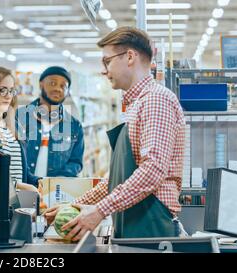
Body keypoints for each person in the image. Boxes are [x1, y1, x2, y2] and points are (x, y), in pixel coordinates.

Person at [44, 26, 186, 241]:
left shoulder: (156, 100)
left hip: (151, 228)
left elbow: (153, 170)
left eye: (107, 61)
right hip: (136, 225)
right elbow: (121, 177)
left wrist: (100, 211)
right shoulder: (137, 105)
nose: (103, 70)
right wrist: (76, 206)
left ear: (129, 56)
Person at [16, 66, 84, 177]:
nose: (58, 89)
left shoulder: (74, 126)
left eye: (63, 86)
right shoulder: (20, 117)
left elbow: (76, 162)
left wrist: (57, 182)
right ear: (41, 84)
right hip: (23, 189)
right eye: (53, 83)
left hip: (56, 191)